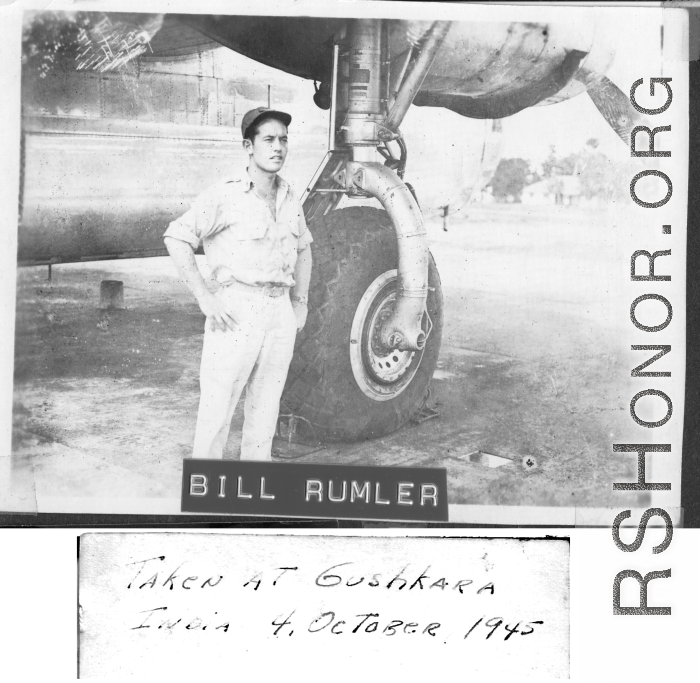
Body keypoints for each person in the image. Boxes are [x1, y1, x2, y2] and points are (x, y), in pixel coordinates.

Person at [163, 107, 312, 461]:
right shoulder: (225, 195)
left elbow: (304, 248)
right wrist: (205, 297)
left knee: (265, 410)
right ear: (248, 146)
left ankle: (250, 493)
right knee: (217, 408)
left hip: (279, 312)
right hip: (236, 311)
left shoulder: (290, 197)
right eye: (269, 140)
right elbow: (176, 237)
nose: (278, 148)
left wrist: (300, 301)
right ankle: (205, 500)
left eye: (284, 141)